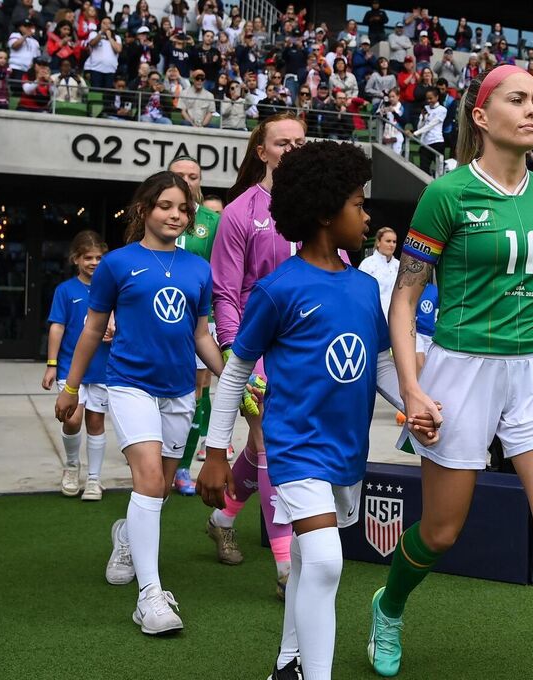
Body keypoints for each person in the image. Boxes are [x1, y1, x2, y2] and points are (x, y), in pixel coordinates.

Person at [367, 64, 533, 680]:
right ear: (480, 115)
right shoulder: (447, 195)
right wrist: (411, 385)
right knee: (441, 531)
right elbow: (406, 301)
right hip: (459, 370)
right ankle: (388, 606)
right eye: (517, 100)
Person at [198, 140, 408, 680]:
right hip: (294, 448)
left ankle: (288, 664)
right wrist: (216, 452)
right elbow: (237, 372)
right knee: (327, 563)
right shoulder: (277, 289)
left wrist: (418, 403)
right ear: (323, 213)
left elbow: (381, 365)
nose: (368, 217)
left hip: (346, 451)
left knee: (315, 567)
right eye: (359, 205)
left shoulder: (364, 288)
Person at [55, 171, 224, 634]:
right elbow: (92, 328)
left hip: (179, 390)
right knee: (148, 480)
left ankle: (126, 536)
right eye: (166, 205)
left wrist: (231, 378)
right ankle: (150, 596)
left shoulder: (198, 269)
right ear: (143, 209)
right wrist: (71, 388)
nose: (176, 215)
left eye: (184, 208)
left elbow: (200, 336)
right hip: (129, 385)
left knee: (162, 488)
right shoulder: (117, 264)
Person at [204, 113, 307, 591]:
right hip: (254, 343)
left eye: (299, 142)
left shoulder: (318, 209)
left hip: (304, 344)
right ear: (261, 151)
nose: (291, 149)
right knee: (268, 438)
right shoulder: (240, 212)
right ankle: (287, 566)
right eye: (281, 142)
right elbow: (224, 292)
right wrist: (232, 354)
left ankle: (224, 519)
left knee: (257, 445)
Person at [43, 230, 111, 501]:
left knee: (96, 422)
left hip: (103, 368)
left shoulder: (112, 288)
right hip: (71, 367)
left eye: (99, 257)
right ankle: (72, 466)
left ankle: (94, 478)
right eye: (88, 257)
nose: (94, 262)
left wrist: (116, 330)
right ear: (76, 259)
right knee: (72, 419)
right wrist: (51, 364)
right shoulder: (65, 290)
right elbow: (57, 327)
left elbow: (126, 321)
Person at [167, 156, 222, 491]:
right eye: (179, 176)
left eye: (193, 176)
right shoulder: (156, 213)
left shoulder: (211, 221)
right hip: (162, 316)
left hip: (201, 319)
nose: (188, 181)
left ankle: (182, 467)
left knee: (196, 390)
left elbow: (221, 271)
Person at [358, 226, 398, 318]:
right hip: (373, 318)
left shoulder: (399, 266)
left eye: (394, 242)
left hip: (395, 320)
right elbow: (361, 295)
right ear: (379, 242)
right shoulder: (367, 264)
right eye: (388, 241)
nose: (392, 245)